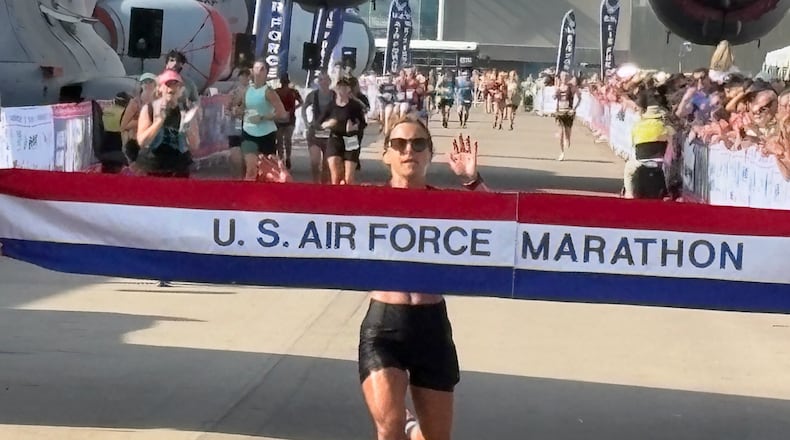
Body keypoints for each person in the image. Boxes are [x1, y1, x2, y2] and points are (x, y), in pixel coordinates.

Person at [257, 114, 487, 440]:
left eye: (419, 144)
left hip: (432, 326)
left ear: (429, 153)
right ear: (386, 154)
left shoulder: (445, 204)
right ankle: (403, 423)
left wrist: (472, 180)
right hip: (385, 325)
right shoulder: (369, 201)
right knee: (388, 427)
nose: (409, 150)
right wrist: (288, 189)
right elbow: (317, 221)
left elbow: (503, 228)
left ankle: (412, 426)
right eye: (400, 144)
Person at [135, 69, 200, 178]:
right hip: (152, 167)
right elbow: (142, 141)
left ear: (181, 90)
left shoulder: (185, 111)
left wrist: (186, 125)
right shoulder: (149, 109)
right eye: (167, 84)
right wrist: (159, 122)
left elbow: (195, 145)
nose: (172, 87)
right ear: (159, 88)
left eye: (176, 84)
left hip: (178, 168)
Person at [240, 59, 288, 181]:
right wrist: (236, 111)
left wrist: (262, 117)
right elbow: (242, 109)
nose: (259, 72)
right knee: (251, 168)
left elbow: (282, 114)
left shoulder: (269, 92)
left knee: (267, 172)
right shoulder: (246, 90)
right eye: (256, 68)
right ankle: (246, 197)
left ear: (266, 73)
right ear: (252, 71)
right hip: (248, 133)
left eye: (262, 69)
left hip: (266, 134)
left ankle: (264, 197)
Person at [317, 77, 366, 184]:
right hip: (335, 138)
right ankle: (335, 198)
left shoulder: (354, 105)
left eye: (345, 87)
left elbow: (363, 123)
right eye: (340, 87)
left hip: (351, 139)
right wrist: (328, 124)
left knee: (348, 178)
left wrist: (354, 127)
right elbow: (318, 124)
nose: (342, 89)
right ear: (336, 89)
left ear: (349, 89)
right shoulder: (331, 106)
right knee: (335, 175)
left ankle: (348, 197)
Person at [301, 71, 335, 183]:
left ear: (329, 81)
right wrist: (306, 123)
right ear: (318, 82)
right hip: (315, 131)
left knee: (326, 164)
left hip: (330, 132)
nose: (323, 82)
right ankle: (315, 183)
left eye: (325, 79)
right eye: (321, 80)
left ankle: (324, 187)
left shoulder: (334, 95)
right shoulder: (313, 95)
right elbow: (304, 108)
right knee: (315, 162)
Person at [226, 68, 251, 179]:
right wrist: (232, 112)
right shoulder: (233, 92)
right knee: (235, 156)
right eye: (242, 76)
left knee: (246, 159)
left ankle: (245, 181)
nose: (244, 78)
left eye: (246, 76)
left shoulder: (253, 92)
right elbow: (226, 109)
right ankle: (236, 180)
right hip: (234, 128)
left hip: (249, 129)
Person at [275, 73, 303, 169]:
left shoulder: (277, 92)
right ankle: (287, 158)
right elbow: (301, 102)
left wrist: (278, 110)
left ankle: (281, 158)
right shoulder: (293, 92)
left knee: (280, 140)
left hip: (280, 118)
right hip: (289, 117)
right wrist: (293, 109)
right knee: (287, 140)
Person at [554, 71, 579, 160]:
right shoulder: (558, 88)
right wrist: (555, 95)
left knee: (567, 133)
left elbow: (579, 98)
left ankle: (567, 139)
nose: (564, 78)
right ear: (560, 78)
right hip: (560, 112)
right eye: (562, 76)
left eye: (566, 76)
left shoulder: (571, 88)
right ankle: (561, 153)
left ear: (568, 78)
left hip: (568, 112)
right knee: (560, 134)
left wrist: (574, 108)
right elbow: (555, 98)